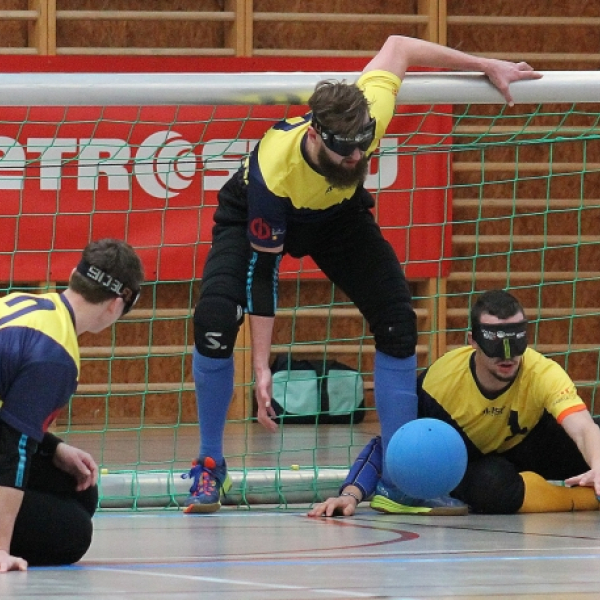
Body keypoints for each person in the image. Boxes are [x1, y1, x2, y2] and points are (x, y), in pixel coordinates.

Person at [184, 35, 542, 514]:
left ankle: (399, 477)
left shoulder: (367, 112)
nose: (357, 159)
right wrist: (262, 366)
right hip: (254, 213)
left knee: (397, 317)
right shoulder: (275, 171)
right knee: (213, 319)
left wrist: (486, 62)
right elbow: (263, 276)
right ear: (314, 135)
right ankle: (210, 467)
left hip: (337, 218)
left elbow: (399, 46)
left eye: (362, 147)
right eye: (344, 152)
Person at [309, 289, 600, 517]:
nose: (508, 356)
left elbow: (584, 429)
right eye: (495, 342)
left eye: (515, 341)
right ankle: (588, 500)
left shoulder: (543, 372)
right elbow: (394, 445)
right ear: (472, 340)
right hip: (477, 463)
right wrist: (350, 494)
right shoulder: (440, 386)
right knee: (490, 487)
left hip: (530, 442)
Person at [0, 238, 144, 572]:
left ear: (73, 276)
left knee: (79, 491)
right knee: (73, 534)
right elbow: (12, 450)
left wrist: (52, 449)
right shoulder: (55, 355)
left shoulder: (28, 305)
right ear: (115, 306)